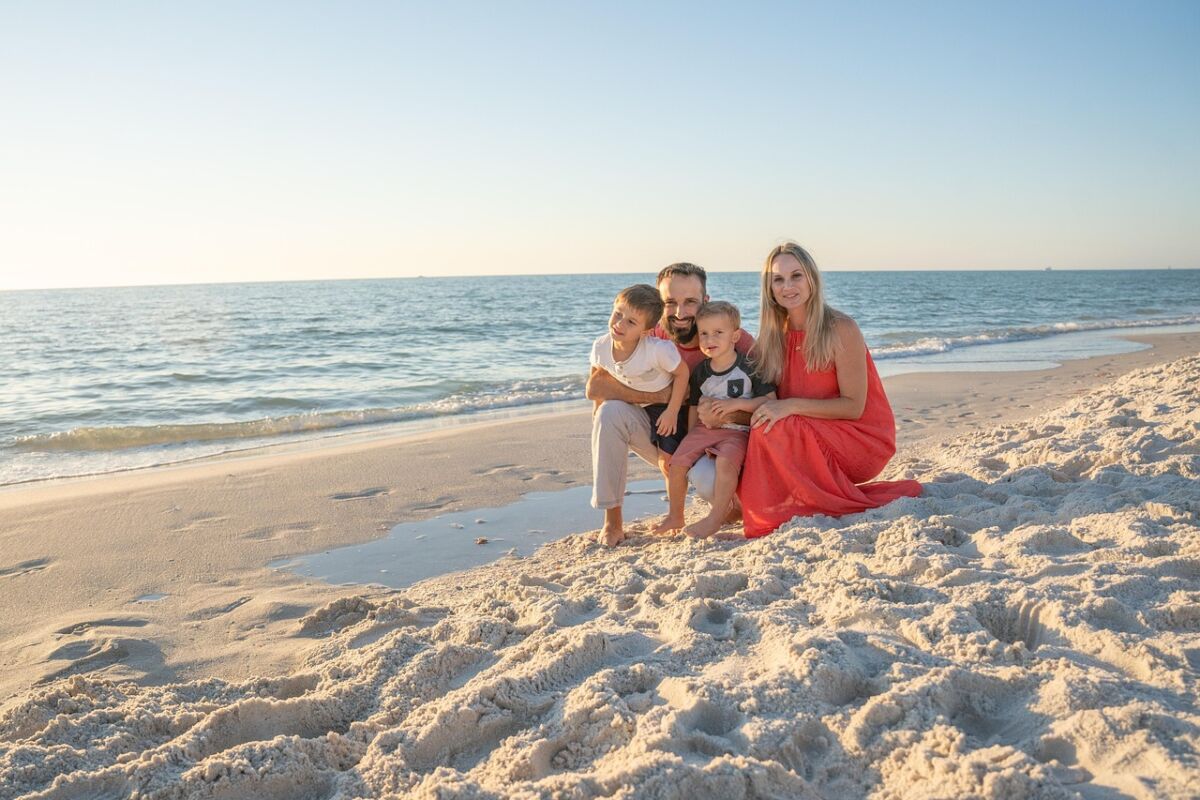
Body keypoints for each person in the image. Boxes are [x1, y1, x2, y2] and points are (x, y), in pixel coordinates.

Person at [739, 243, 922, 537]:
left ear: (812, 278)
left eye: (796, 275)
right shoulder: (773, 336)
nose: (788, 286)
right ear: (769, 288)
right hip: (804, 433)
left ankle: (771, 512)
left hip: (858, 439)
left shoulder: (840, 328)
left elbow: (853, 407)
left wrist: (790, 406)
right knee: (753, 424)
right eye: (778, 279)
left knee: (770, 426)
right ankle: (750, 504)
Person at [586, 264, 754, 543]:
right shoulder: (647, 333)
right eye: (670, 303)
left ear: (706, 301)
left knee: (709, 482)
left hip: (714, 442)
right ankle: (613, 522)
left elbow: (772, 400)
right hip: (664, 432)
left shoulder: (731, 336)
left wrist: (730, 416)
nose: (680, 313)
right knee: (609, 413)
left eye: (690, 302)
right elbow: (597, 386)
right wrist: (664, 396)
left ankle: (732, 505)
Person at [655, 301, 776, 539]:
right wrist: (690, 437)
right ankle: (675, 514)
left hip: (737, 432)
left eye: (718, 333)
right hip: (704, 430)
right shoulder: (701, 371)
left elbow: (769, 400)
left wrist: (737, 404)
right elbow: (693, 407)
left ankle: (717, 516)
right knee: (677, 464)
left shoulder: (749, 366)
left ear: (735, 336)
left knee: (724, 463)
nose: (710, 339)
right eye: (704, 334)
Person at [589, 284, 689, 546]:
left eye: (631, 321)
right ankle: (612, 522)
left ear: (646, 331)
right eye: (618, 313)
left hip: (669, 413)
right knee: (607, 414)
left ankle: (675, 515)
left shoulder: (657, 349)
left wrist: (672, 411)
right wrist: (597, 415)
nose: (619, 324)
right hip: (638, 412)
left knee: (669, 464)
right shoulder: (600, 346)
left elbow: (682, 375)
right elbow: (596, 380)